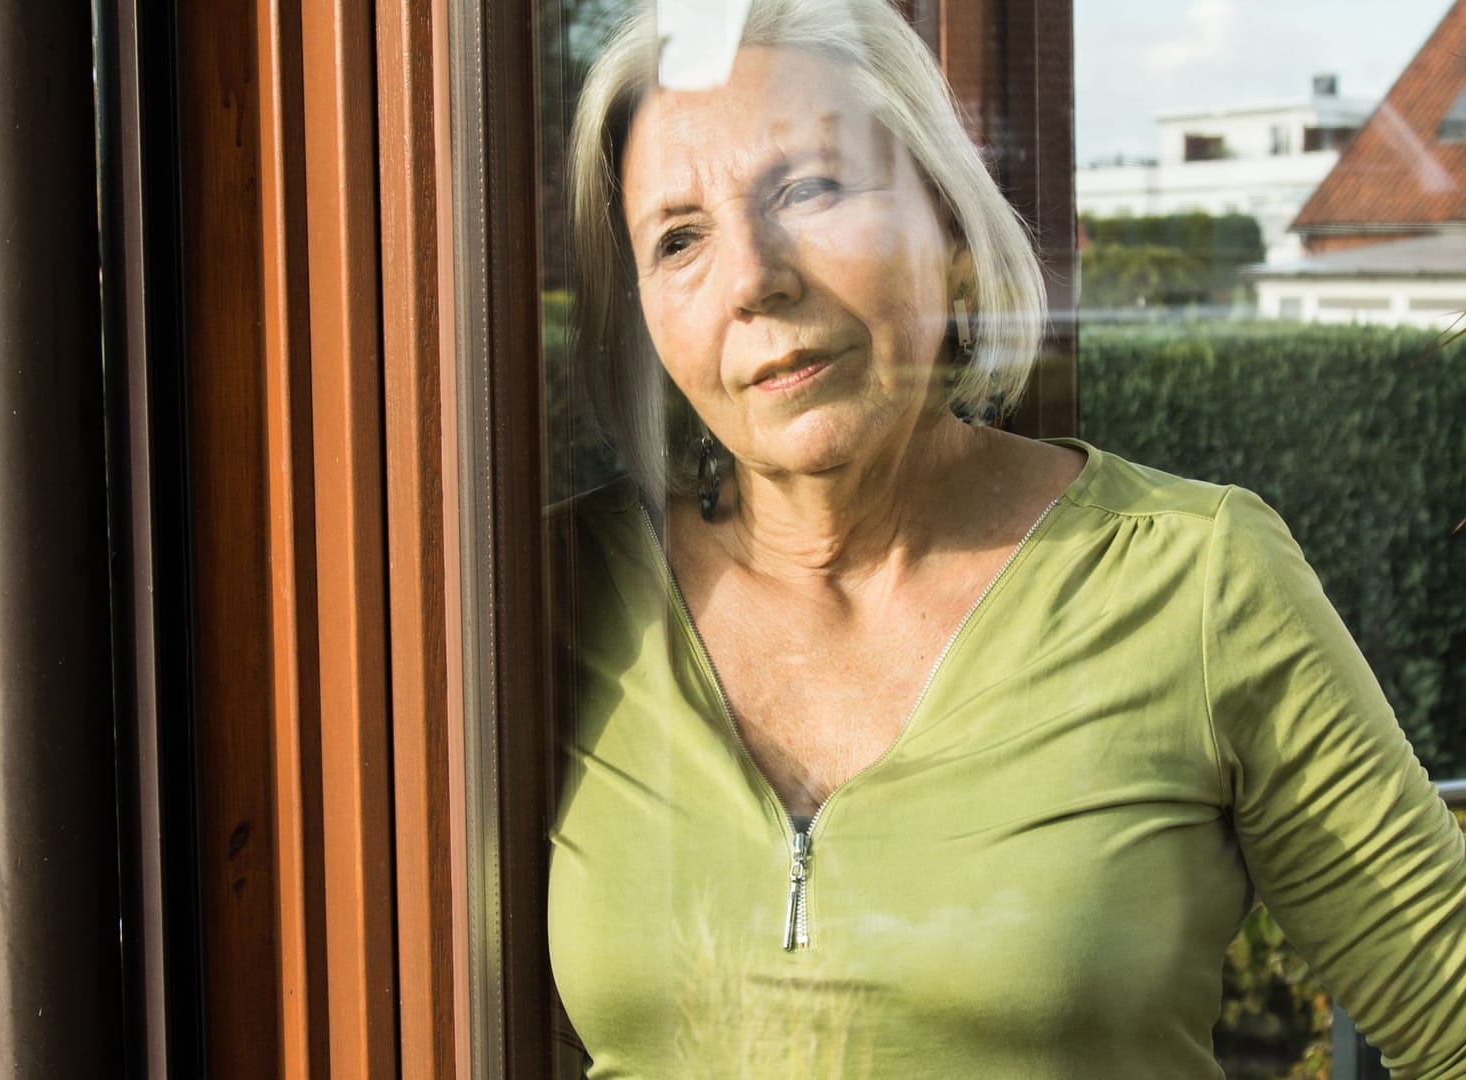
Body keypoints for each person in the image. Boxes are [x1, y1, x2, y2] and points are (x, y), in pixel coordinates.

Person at [545, 1, 1466, 1076]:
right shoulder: (552, 592)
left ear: (947, 221)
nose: (755, 278)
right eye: (679, 239)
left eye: (809, 186)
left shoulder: (1195, 579)